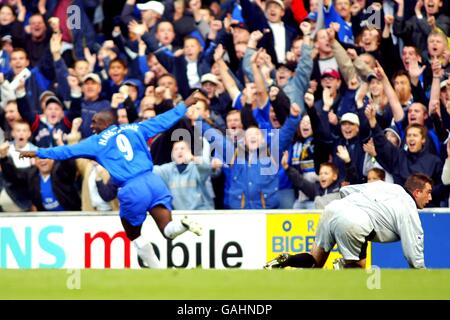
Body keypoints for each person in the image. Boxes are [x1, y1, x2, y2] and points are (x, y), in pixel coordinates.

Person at [19, 91, 203, 269]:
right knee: (168, 229)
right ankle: (182, 224)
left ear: (107, 123)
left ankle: (158, 272)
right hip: (153, 181)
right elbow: (163, 120)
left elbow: (66, 151)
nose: (92, 127)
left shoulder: (96, 142)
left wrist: (38, 152)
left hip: (132, 188)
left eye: (95, 123)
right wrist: (185, 104)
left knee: (134, 235)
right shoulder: (136, 127)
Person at [265, 174, 432, 269]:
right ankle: (342, 267)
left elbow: (346, 190)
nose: (430, 198)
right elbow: (413, 253)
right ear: (417, 192)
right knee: (357, 274)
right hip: (355, 221)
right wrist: (422, 273)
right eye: (428, 192)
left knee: (315, 261)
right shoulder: (408, 208)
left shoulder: (385, 185)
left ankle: (288, 259)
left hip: (333, 208)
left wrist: (344, 212)